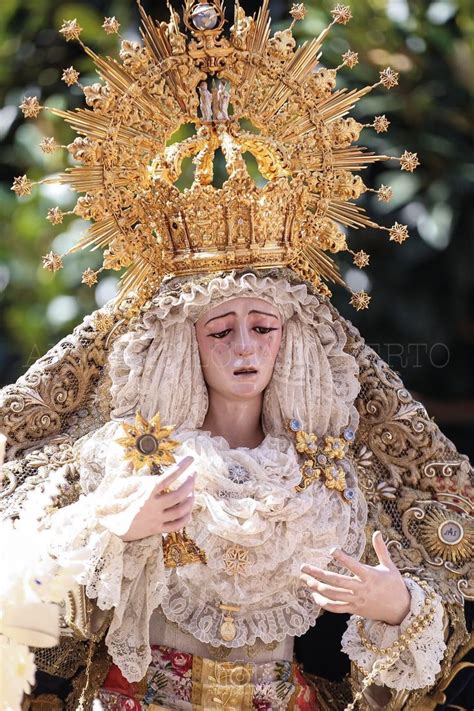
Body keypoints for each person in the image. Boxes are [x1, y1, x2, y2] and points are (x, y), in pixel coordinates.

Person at [2, 2, 471, 710]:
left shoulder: (329, 476)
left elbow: (413, 621)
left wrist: (396, 602)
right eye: (222, 330)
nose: (246, 347)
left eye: (264, 327)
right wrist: (108, 528)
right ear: (183, 343)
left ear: (293, 341)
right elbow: (23, 597)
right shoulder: (129, 460)